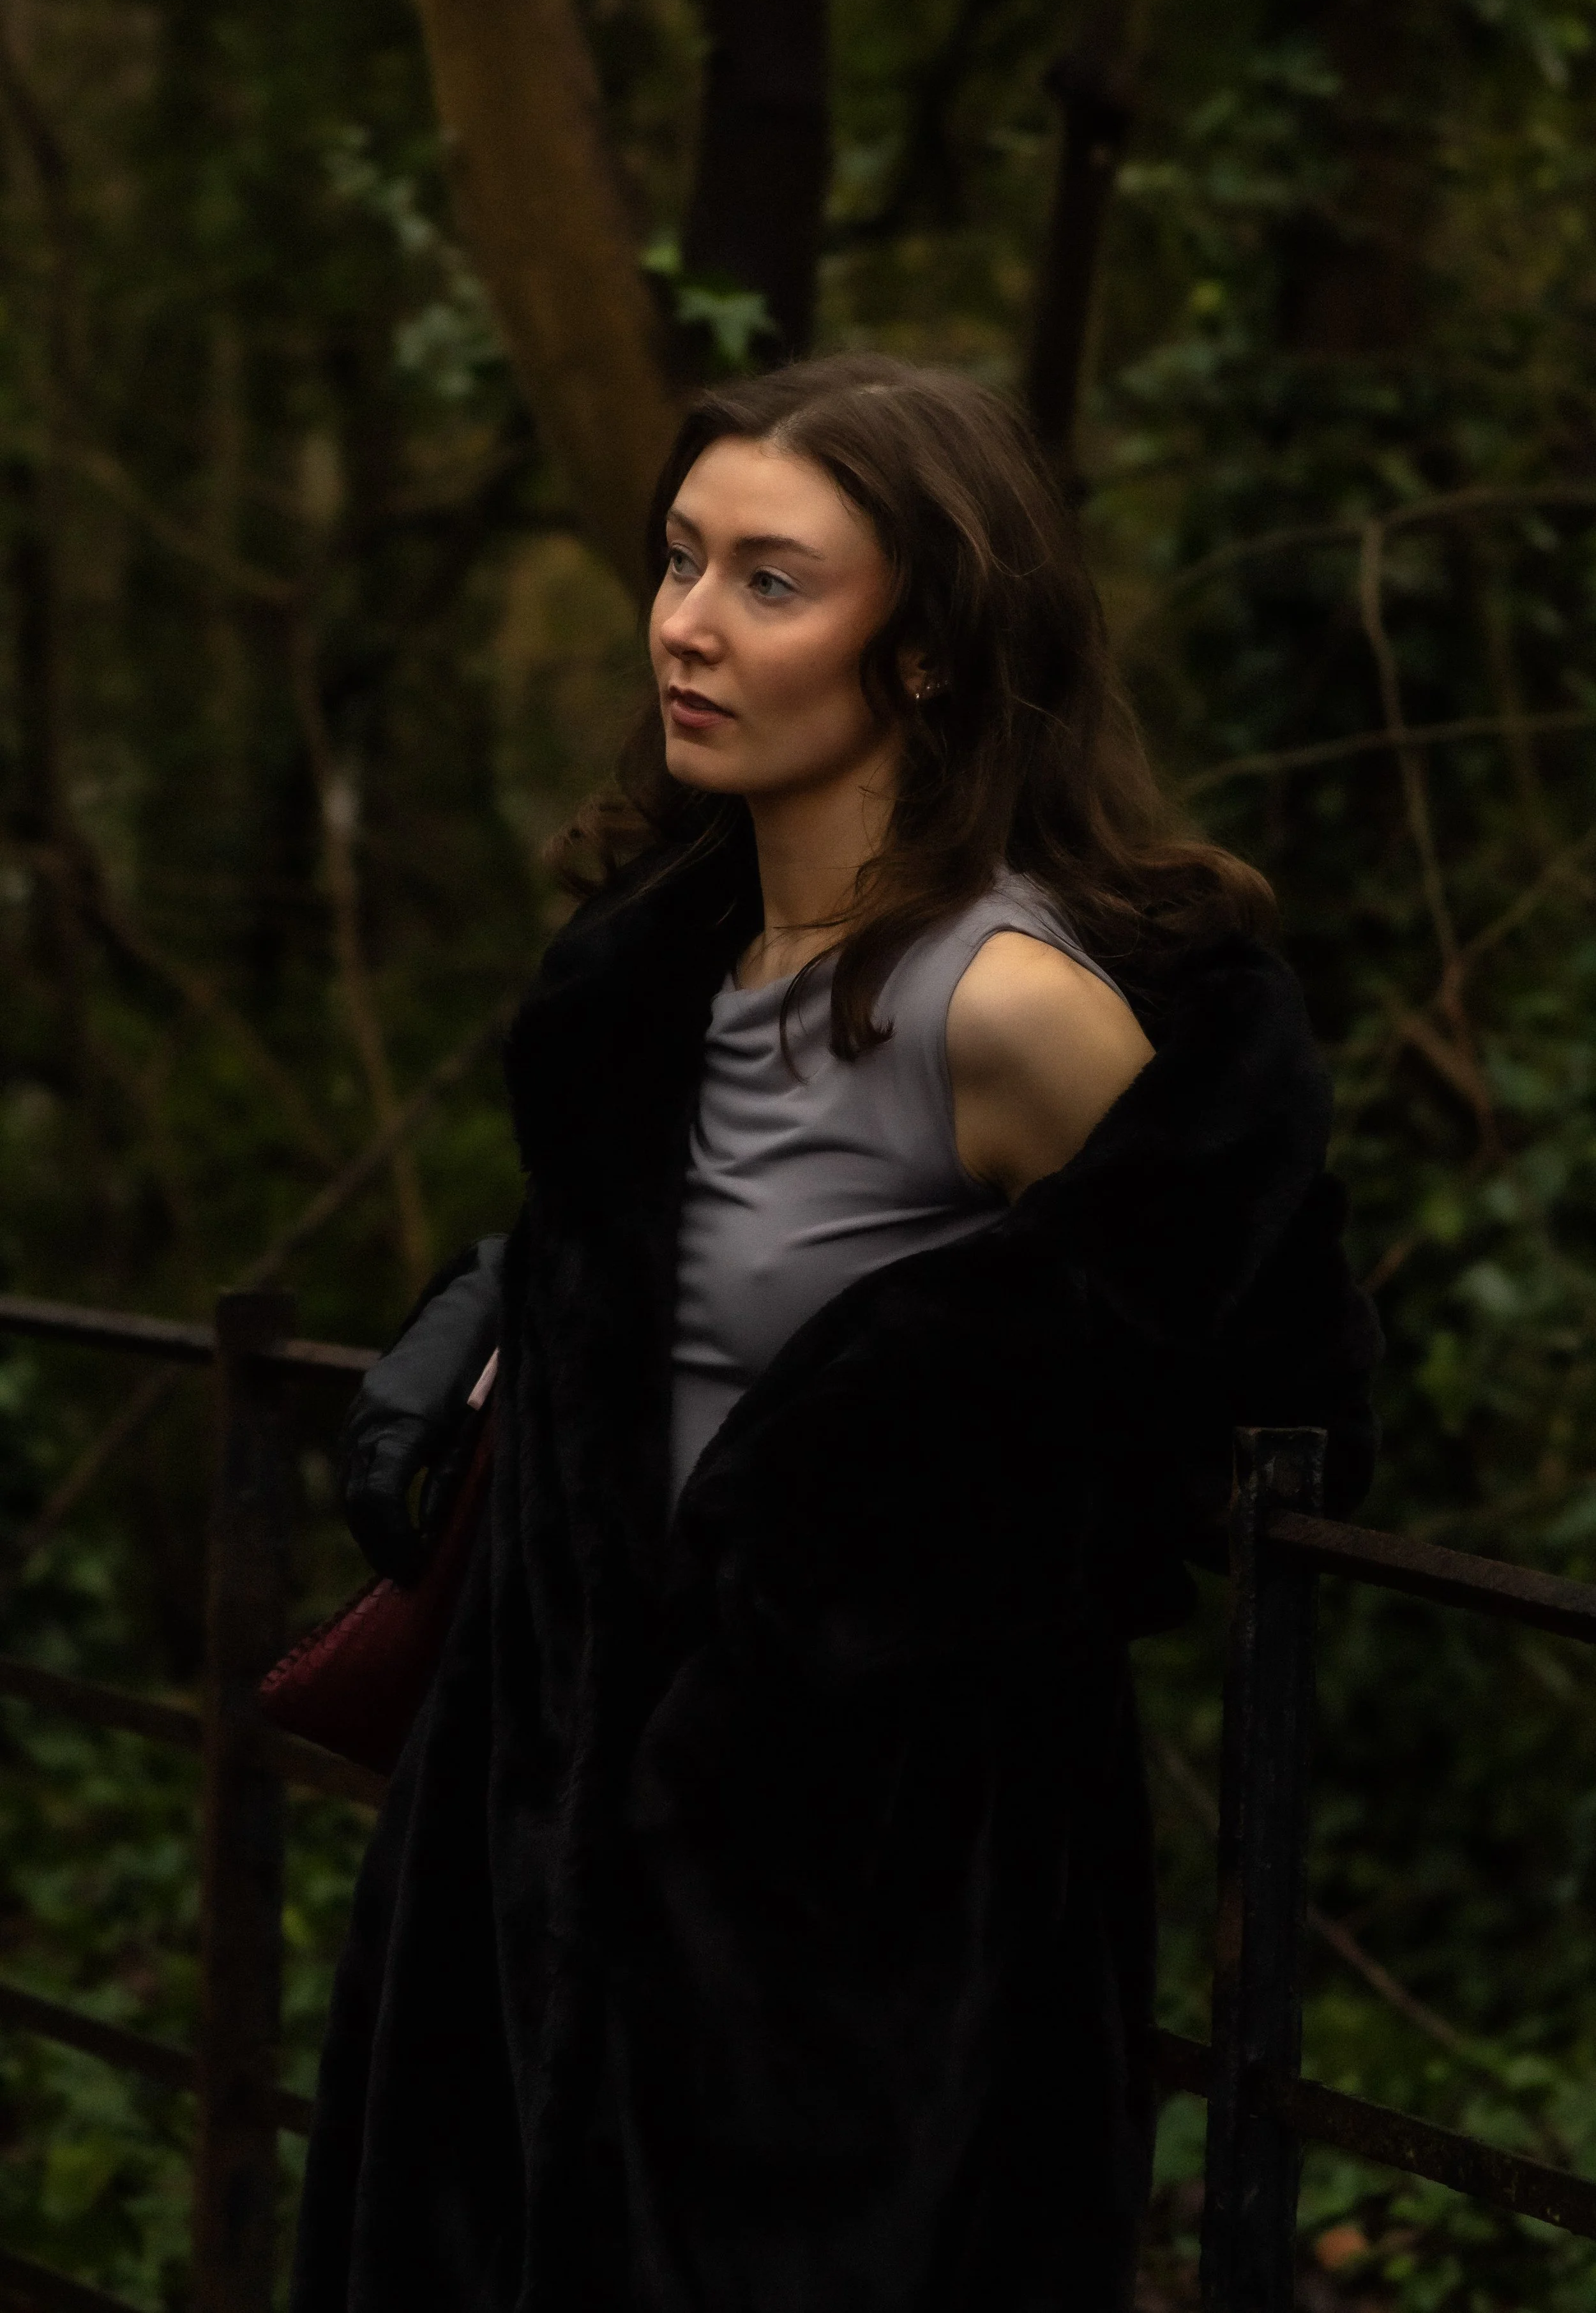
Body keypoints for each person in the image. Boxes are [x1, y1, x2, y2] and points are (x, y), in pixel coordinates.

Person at [293, 355, 1379, 2313]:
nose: (686, 624)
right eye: (681, 558)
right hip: (538, 1877)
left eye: (771, 581)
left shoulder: (1002, 1002)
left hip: (841, 1953)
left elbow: (1222, 1390)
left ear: (936, 651)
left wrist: (833, 1649)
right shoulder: (664, 970)